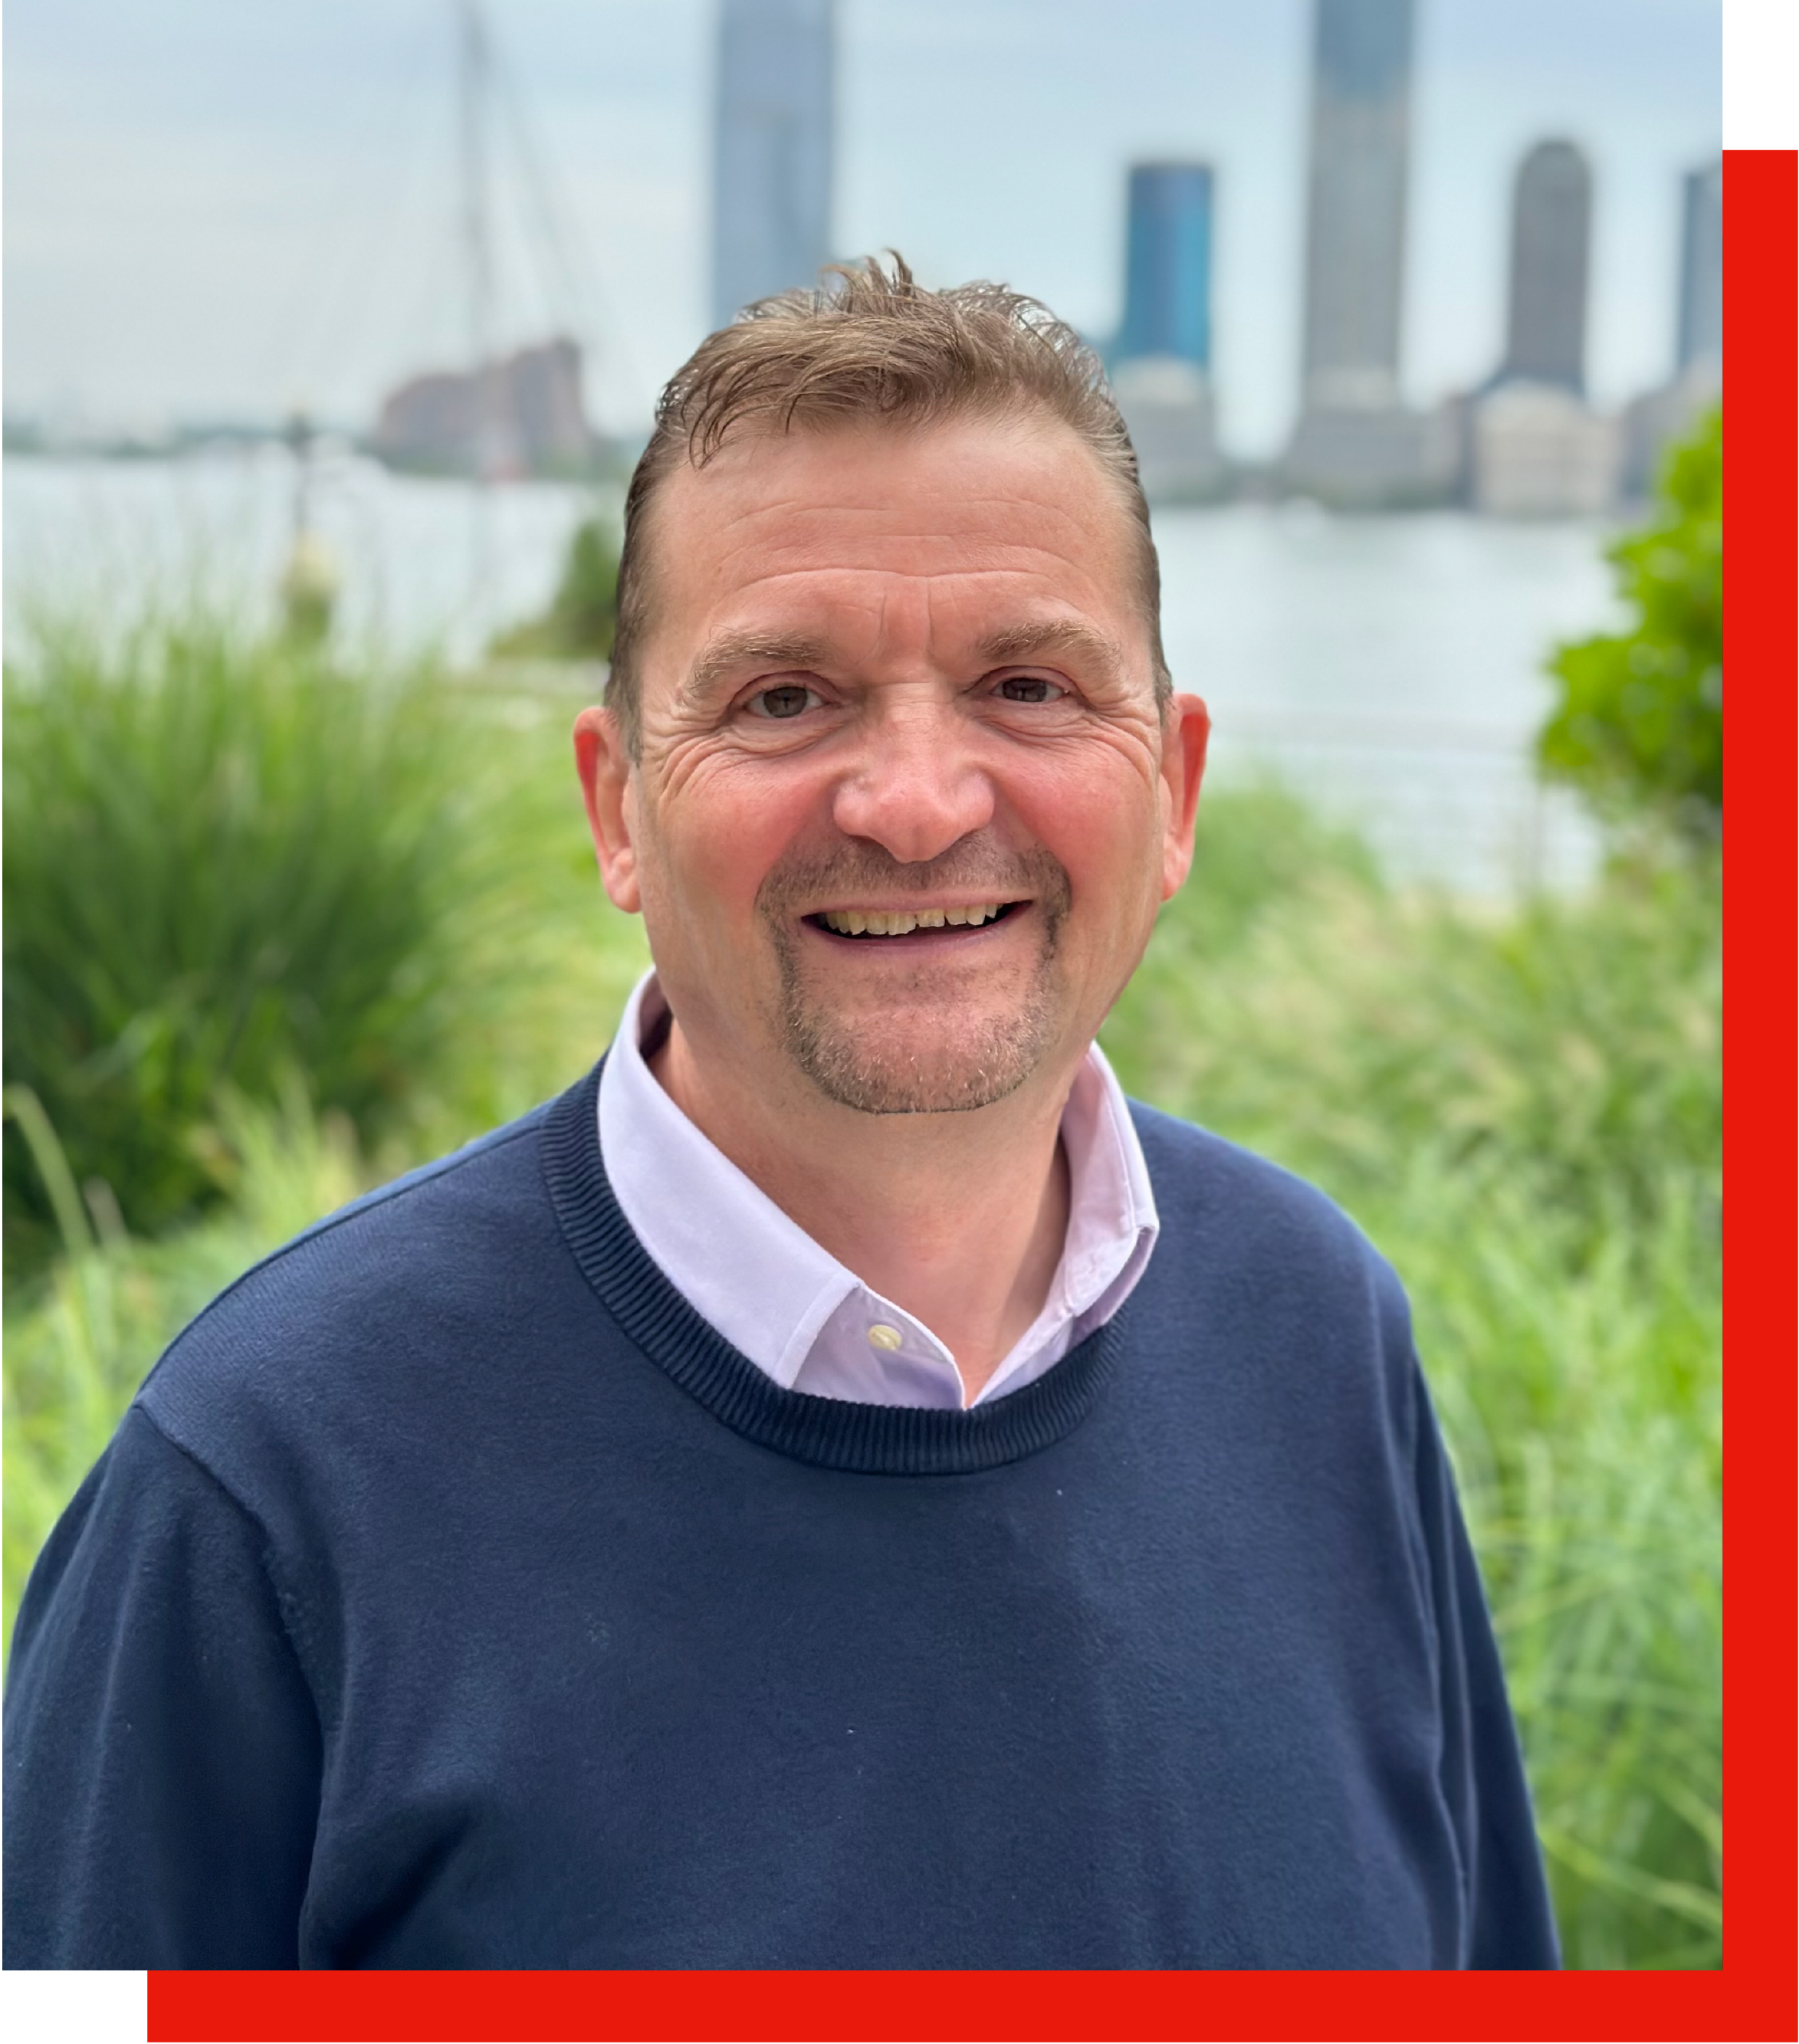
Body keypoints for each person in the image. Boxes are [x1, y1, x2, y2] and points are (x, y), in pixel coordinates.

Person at [2, 257, 1559, 1970]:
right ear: (617, 807)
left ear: (1175, 789)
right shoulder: (273, 1480)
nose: (915, 803)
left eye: (1029, 686)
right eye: (783, 699)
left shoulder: (1315, 1333)